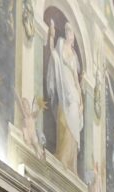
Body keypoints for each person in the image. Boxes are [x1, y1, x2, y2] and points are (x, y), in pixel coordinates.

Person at [45, 20, 84, 172]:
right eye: (68, 32)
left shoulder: (74, 56)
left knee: (73, 123)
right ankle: (61, 155)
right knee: (62, 119)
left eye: (72, 33)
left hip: (73, 93)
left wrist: (81, 102)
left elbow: (76, 79)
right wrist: (51, 36)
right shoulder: (60, 44)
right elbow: (54, 56)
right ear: (66, 34)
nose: (70, 35)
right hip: (63, 87)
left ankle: (69, 162)